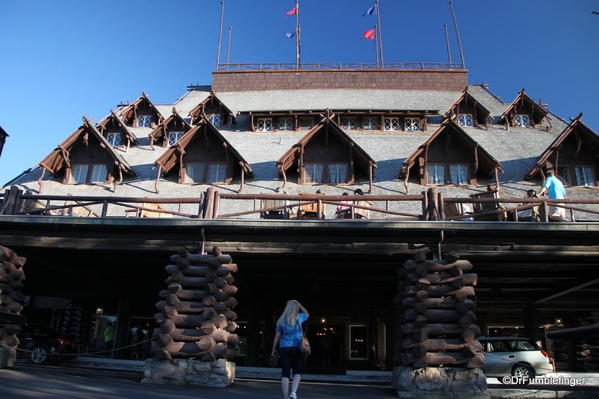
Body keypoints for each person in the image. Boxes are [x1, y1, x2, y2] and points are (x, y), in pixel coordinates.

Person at [271, 300, 309, 399]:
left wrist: (273, 350)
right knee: (297, 372)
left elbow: (277, 336)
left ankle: (285, 397)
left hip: (284, 348)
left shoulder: (281, 320)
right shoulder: (299, 317)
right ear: (296, 308)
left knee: (285, 373)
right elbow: (307, 314)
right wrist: (299, 304)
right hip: (297, 348)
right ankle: (293, 393)